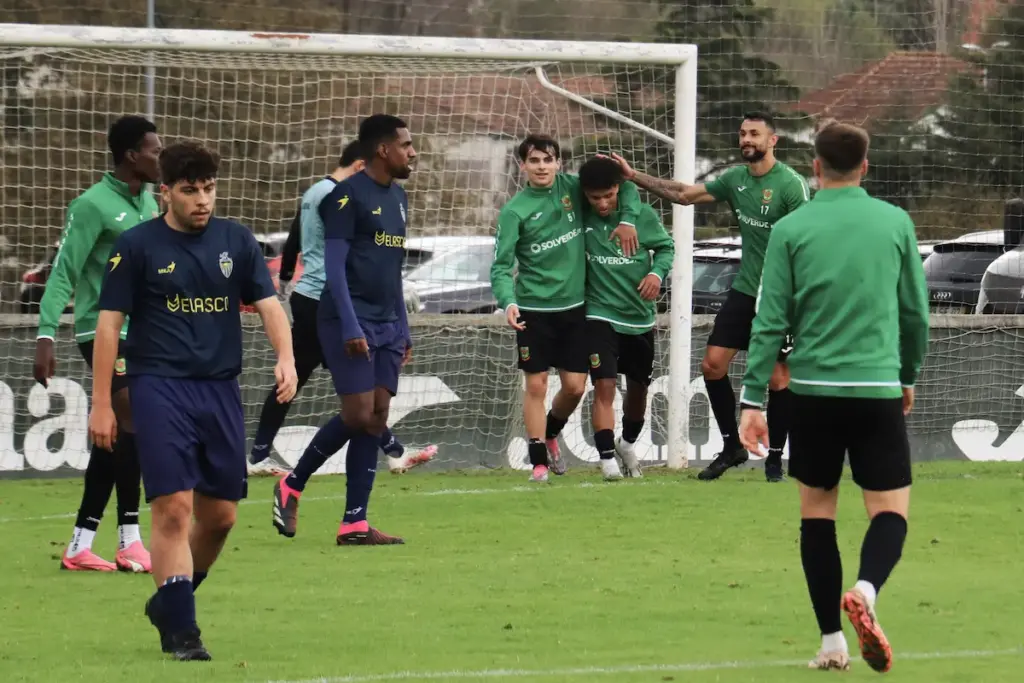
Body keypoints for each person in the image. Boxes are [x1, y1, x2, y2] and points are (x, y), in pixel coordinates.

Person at [89, 140, 298, 660]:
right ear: (166, 194)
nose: (202, 199)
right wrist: (100, 403)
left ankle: (171, 601)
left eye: (209, 189)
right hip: (158, 387)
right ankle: (183, 632)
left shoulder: (236, 240)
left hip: (220, 389)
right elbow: (108, 327)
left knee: (222, 516)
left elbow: (270, 306)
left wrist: (287, 357)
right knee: (174, 509)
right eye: (190, 190)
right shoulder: (135, 247)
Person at [738, 120, 928, 672]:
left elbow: (769, 320)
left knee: (817, 514)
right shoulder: (894, 222)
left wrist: (753, 399)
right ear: (865, 167)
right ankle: (866, 591)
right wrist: (907, 373)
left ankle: (830, 642)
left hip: (812, 392)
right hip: (875, 389)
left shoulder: (792, 228)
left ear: (814, 168)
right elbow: (915, 314)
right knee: (889, 511)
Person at [608, 111, 810, 482]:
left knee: (779, 377)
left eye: (754, 134)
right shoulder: (735, 180)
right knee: (712, 366)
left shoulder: (792, 186)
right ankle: (732, 445)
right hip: (746, 289)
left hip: (782, 296)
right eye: (743, 133)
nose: (746, 139)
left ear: (773, 141)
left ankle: (775, 458)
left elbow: (808, 242)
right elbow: (684, 194)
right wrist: (634, 176)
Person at [249, 139, 436, 475]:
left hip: (311, 295)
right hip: (328, 299)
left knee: (307, 379)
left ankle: (258, 453)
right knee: (352, 390)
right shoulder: (340, 194)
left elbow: (294, 236)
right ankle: (393, 451)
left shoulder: (314, 192)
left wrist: (289, 274)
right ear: (360, 166)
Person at [272, 114, 414, 544]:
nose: (413, 153)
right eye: (406, 145)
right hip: (345, 319)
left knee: (376, 417)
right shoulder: (345, 197)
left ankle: (355, 522)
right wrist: (352, 325)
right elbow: (333, 268)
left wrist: (403, 327)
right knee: (358, 414)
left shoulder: (401, 198)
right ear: (382, 150)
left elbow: (393, 270)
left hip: (388, 322)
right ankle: (292, 483)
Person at [34, 115, 161, 573]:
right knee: (132, 419)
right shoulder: (91, 205)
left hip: (147, 333)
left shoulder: (151, 202)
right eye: (154, 150)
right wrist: (47, 333)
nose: (159, 158)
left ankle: (80, 544)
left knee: (116, 437)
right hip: (101, 331)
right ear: (132, 155)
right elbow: (65, 270)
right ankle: (130, 539)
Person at [490, 134, 641, 483]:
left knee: (574, 387)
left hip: (575, 309)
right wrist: (508, 301)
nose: (541, 167)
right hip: (532, 309)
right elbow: (500, 267)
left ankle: (552, 432)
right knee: (537, 385)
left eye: (548, 160)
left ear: (558, 163)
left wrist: (629, 219)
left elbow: (625, 187)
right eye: (534, 161)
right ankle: (539, 461)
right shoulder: (515, 211)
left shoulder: (574, 188)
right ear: (522, 166)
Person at [577, 157, 674, 480]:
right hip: (598, 314)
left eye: (608, 195)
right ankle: (606, 460)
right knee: (604, 386)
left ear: (618, 189)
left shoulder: (641, 215)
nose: (602, 203)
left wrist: (657, 274)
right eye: (595, 198)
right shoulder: (580, 216)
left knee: (638, 391)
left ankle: (627, 443)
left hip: (639, 317)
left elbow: (666, 248)